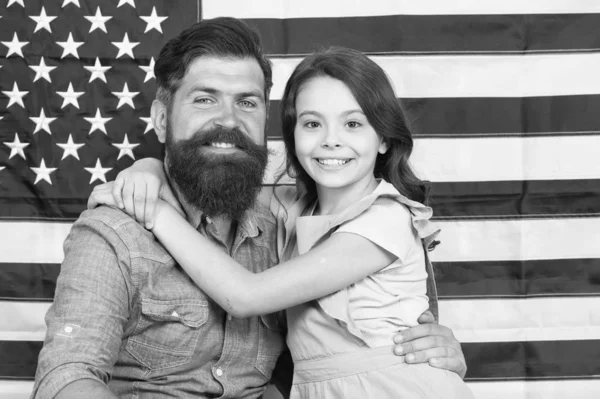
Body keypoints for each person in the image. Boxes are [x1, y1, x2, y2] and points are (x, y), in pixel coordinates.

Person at [32, 17, 465, 399]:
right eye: (205, 98)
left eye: (246, 101)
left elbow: (255, 303)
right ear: (162, 120)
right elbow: (67, 377)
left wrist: (441, 349)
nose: (228, 120)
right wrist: (147, 169)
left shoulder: (281, 227)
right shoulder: (115, 235)